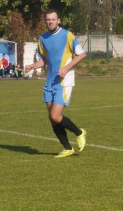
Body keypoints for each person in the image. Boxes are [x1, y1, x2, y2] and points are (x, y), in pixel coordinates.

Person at [24, 9, 88, 158]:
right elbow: (44, 60)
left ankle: (79, 132)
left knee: (55, 115)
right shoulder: (43, 38)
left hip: (64, 81)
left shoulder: (67, 35)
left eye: (53, 19)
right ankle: (67, 148)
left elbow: (82, 54)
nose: (50, 22)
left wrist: (66, 68)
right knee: (52, 120)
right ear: (45, 21)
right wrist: (33, 66)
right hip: (50, 81)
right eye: (48, 20)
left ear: (58, 20)